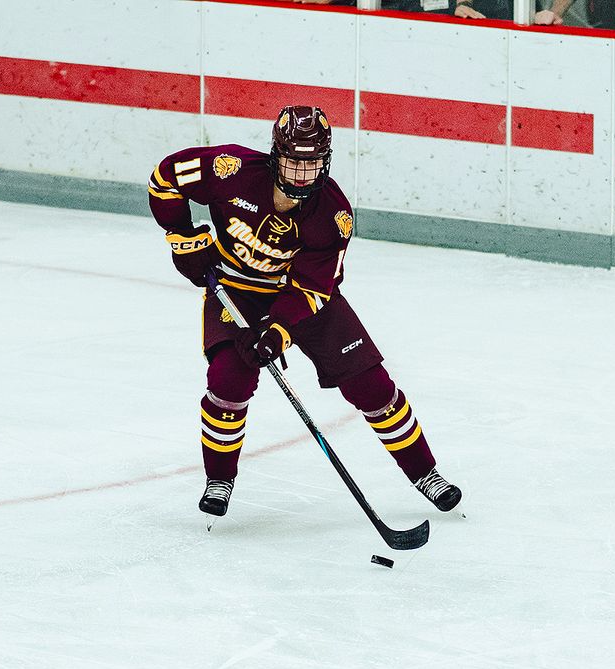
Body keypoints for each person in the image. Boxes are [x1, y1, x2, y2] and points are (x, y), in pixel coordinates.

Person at [147, 106, 462, 526]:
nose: (301, 175)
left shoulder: (334, 214)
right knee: (228, 381)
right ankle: (219, 481)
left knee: (371, 386)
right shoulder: (230, 170)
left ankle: (426, 473)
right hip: (236, 289)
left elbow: (313, 288)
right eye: (294, 162)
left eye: (312, 165)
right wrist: (182, 236)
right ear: (276, 155)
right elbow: (166, 178)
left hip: (304, 299)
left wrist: (278, 330)